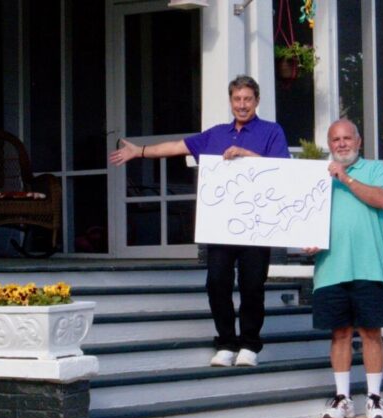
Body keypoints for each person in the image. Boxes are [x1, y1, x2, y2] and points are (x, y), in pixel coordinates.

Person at [109, 75, 291, 367]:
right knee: (217, 282)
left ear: (257, 101)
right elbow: (176, 147)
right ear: (231, 101)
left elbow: (282, 170)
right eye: (237, 99)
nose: (242, 105)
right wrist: (138, 152)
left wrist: (246, 154)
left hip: (257, 225)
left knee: (252, 285)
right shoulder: (216, 134)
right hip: (221, 224)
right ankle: (226, 343)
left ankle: (249, 345)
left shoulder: (272, 132)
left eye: (247, 99)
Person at [303, 118, 383, 418]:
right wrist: (309, 240)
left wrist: (345, 178)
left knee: (371, 332)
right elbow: (305, 219)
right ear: (329, 145)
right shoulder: (318, 177)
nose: (341, 144)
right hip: (331, 269)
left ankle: (374, 398)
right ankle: (343, 398)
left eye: (346, 138)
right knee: (339, 334)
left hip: (369, 267)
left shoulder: (375, 170)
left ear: (358, 142)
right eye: (335, 140)